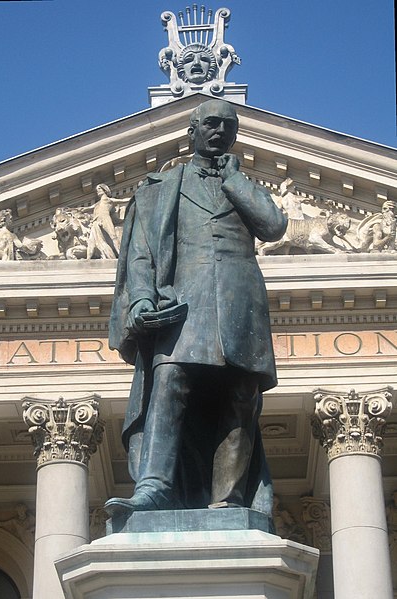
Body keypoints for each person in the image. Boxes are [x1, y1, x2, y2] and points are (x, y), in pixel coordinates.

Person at [105, 99, 287, 518]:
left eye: (228, 125)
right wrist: (143, 299)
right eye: (209, 123)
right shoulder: (160, 189)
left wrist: (235, 181)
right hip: (183, 305)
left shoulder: (243, 186)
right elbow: (141, 252)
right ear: (191, 132)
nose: (218, 131)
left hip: (241, 305)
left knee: (241, 396)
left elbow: (274, 227)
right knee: (170, 383)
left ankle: (228, 498)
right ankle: (154, 486)